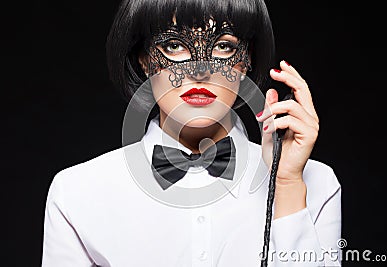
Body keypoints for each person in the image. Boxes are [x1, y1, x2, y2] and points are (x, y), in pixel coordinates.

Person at [41, 0, 341, 266]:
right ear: (144, 60)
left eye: (223, 45)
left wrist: (287, 186)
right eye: (174, 45)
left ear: (246, 60)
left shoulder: (316, 185)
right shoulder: (76, 193)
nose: (200, 71)